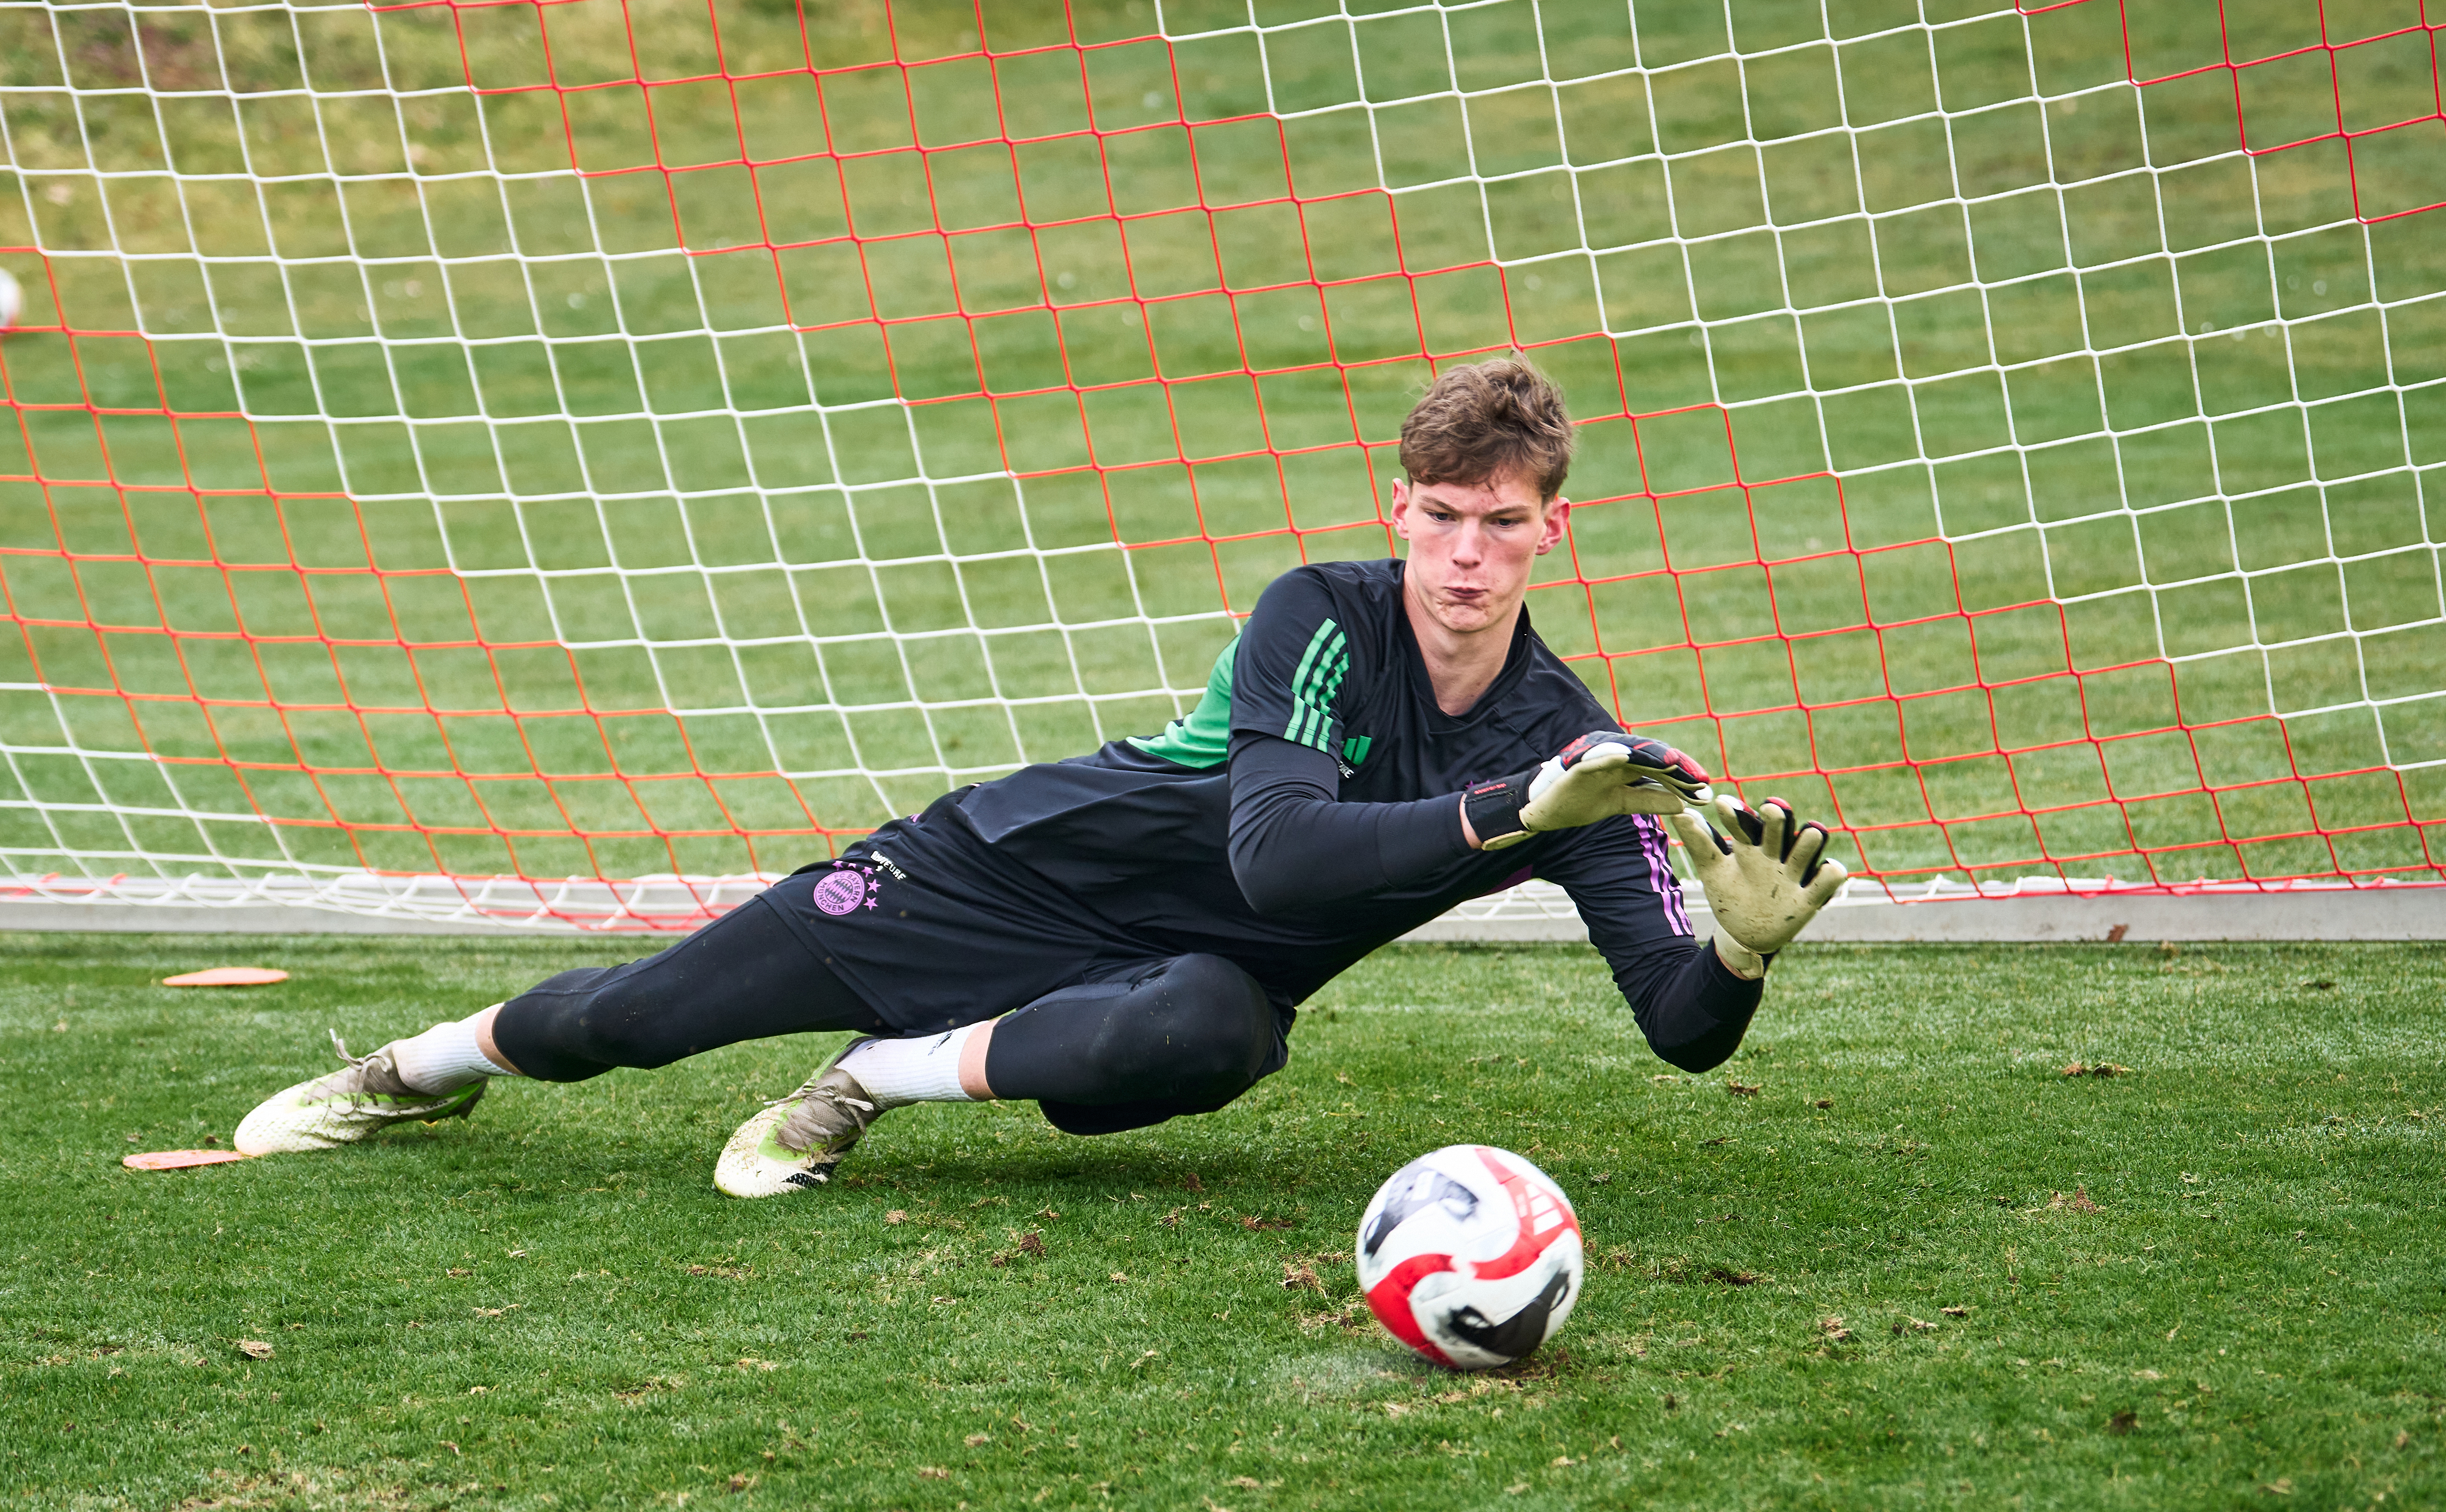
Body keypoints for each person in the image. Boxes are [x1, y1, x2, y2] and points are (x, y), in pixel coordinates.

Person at [233, 357, 1851, 1194]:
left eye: (1503, 523)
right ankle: (412, 1072)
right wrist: (1507, 816)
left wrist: (1735, 952)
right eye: (1439, 515)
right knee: (636, 1021)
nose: (1464, 554)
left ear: (1550, 530)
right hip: (1007, 872)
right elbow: (1281, 854)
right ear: (1399, 510)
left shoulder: (1584, 756)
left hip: (1173, 974)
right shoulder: (1319, 616)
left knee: (1221, 1034)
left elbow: (1680, 1035)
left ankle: (866, 1083)